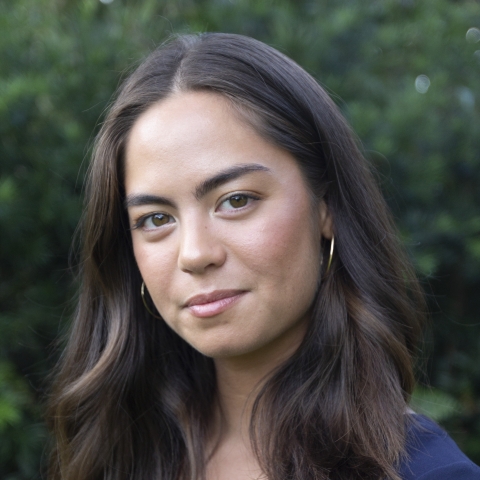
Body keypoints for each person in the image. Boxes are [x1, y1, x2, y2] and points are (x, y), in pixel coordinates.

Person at [47, 33, 480, 480]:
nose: (195, 254)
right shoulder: (112, 455)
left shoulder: (427, 472)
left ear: (325, 207)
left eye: (235, 200)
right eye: (156, 219)